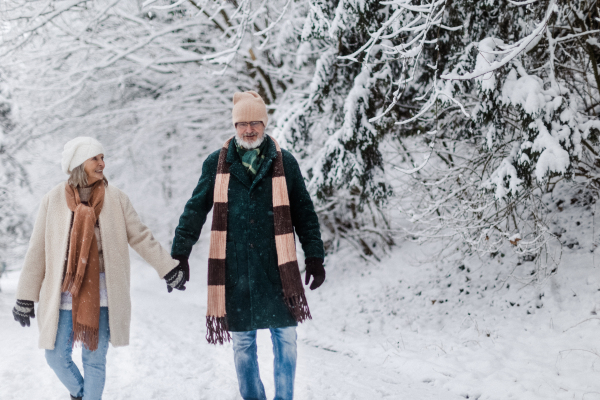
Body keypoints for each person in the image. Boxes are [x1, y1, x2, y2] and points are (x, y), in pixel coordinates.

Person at [171, 91, 326, 400]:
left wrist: (314, 256)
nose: (249, 130)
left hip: (278, 270)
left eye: (255, 122)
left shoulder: (285, 163)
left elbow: (304, 212)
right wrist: (180, 254)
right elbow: (195, 209)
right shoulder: (216, 164)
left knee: (286, 340)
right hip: (236, 271)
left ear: (264, 123)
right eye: (242, 123)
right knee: (243, 346)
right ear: (235, 125)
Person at [11, 137, 187, 400]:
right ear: (79, 162)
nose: (103, 163)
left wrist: (167, 268)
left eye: (103, 158)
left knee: (94, 359)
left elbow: (140, 236)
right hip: (64, 292)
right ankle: (81, 394)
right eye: (96, 158)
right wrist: (25, 296)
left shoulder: (116, 198)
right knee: (56, 356)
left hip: (103, 292)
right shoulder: (53, 200)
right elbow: (38, 250)